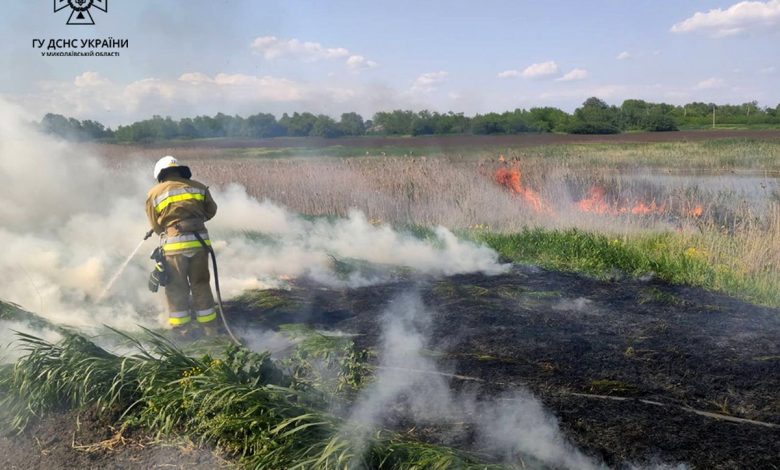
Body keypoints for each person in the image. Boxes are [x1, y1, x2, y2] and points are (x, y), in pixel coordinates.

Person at [146, 156, 218, 336]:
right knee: (201, 284)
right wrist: (194, 220)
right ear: (180, 170)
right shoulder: (199, 187)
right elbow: (211, 211)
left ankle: (182, 331)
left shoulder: (154, 193)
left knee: (176, 288)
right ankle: (210, 329)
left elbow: (156, 225)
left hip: (174, 247)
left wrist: (169, 226)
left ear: (160, 174)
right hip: (200, 244)